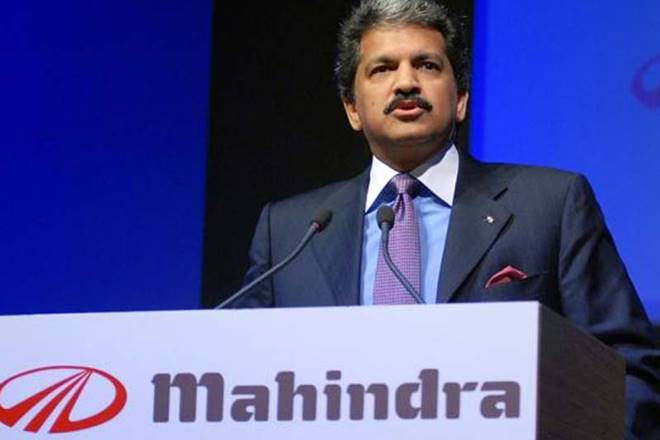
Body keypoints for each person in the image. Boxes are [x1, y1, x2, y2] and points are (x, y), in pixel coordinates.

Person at [234, 0, 659, 437]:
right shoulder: (289, 232)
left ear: (460, 100)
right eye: (382, 68)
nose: (406, 82)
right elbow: (237, 376)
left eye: (427, 65)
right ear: (352, 109)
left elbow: (627, 370)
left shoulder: (551, 204)